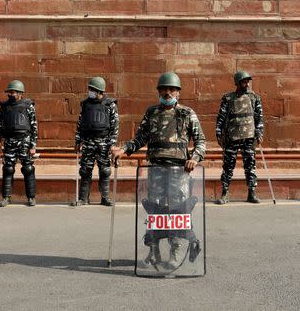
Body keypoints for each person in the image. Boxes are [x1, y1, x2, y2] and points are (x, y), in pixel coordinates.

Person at [111, 72, 205, 270]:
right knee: (155, 210)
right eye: (164, 89)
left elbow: (201, 142)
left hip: (179, 170)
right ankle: (153, 251)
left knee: (178, 210)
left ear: (178, 92)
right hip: (155, 168)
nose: (167, 92)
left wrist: (194, 158)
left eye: (172, 89)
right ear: (159, 91)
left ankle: (176, 250)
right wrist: (123, 149)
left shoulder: (187, 113)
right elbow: (140, 138)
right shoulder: (151, 112)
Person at [215, 70, 264, 204]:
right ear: (237, 83)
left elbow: (259, 118)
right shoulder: (228, 98)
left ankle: (251, 193)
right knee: (228, 166)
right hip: (232, 137)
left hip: (249, 137)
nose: (246, 83)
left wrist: (259, 132)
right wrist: (218, 133)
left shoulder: (254, 97)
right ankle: (225, 193)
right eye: (243, 81)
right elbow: (221, 117)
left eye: (247, 81)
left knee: (250, 166)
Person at [74, 76, 119, 206]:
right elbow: (80, 124)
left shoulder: (110, 105)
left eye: (93, 89)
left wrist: (112, 143)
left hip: (104, 142)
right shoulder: (86, 104)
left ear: (100, 91)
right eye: (90, 89)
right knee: (85, 170)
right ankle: (83, 198)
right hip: (88, 142)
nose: (90, 91)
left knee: (104, 170)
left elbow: (115, 125)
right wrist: (78, 141)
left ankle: (105, 198)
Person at [0, 80, 38, 207]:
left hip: (24, 141)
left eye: (12, 92)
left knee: (28, 169)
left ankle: (31, 197)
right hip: (9, 141)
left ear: (20, 93)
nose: (10, 95)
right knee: (8, 169)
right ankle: (6, 197)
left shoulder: (28, 106)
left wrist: (33, 145)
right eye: (9, 92)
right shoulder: (4, 107)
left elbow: (34, 126)